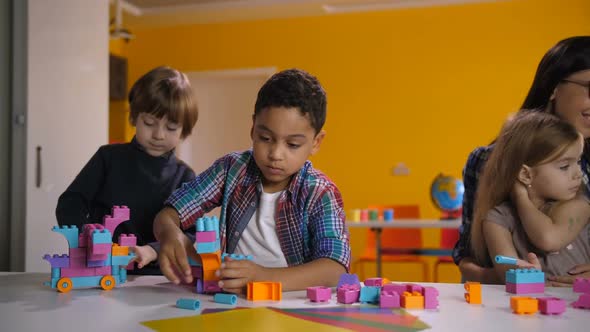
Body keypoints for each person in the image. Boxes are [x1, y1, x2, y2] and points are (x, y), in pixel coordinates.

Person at [152, 68, 350, 293]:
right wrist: (170, 233)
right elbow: (169, 214)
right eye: (265, 138)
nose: (275, 153)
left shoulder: (320, 192)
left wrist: (261, 276)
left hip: (293, 305)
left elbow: (335, 269)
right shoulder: (231, 170)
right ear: (253, 127)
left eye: (292, 144)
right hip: (234, 302)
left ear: (316, 142)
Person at [453, 36, 590, 285]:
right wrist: (505, 277)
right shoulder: (487, 160)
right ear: (553, 88)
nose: (575, 174)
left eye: (576, 162)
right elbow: (468, 254)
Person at [56, 65, 199, 273]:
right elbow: (70, 202)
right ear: (134, 118)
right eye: (149, 123)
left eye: (171, 128)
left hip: (158, 278)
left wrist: (152, 251)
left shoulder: (185, 176)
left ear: (184, 131)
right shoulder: (108, 158)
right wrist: (84, 233)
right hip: (101, 271)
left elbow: (191, 234)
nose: (159, 135)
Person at [470, 111, 590, 281]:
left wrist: (521, 197)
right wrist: (521, 273)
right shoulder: (497, 218)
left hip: (578, 302)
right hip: (529, 303)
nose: (578, 173)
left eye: (578, 162)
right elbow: (505, 268)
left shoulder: (579, 205)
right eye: (564, 166)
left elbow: (548, 238)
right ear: (525, 175)